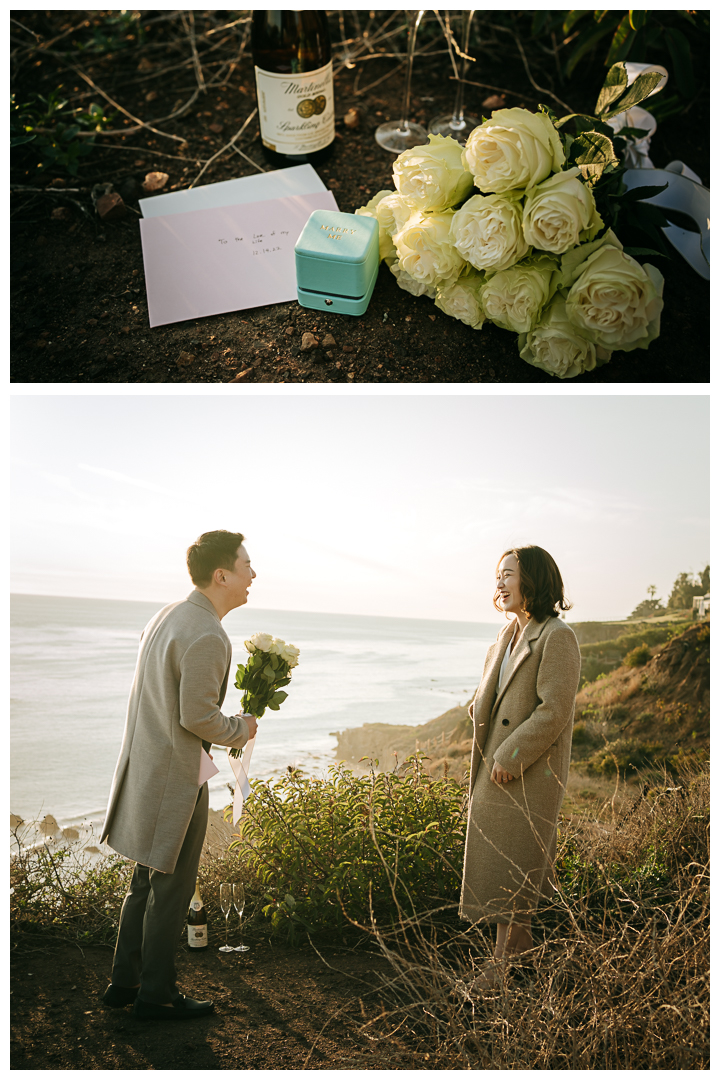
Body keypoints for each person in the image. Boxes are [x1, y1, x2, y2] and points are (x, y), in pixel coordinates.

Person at [100, 530, 258, 1021]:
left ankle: (123, 983)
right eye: (247, 565)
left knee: (144, 883)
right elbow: (197, 717)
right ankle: (157, 995)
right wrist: (242, 728)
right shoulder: (208, 633)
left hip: (147, 767)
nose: (254, 574)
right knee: (170, 888)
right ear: (222, 575)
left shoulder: (166, 615)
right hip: (177, 777)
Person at [459, 545, 581, 988]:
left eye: (508, 573)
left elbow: (555, 710)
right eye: (497, 575)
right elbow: (487, 702)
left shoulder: (556, 635)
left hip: (526, 772)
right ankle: (526, 963)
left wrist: (512, 755)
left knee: (514, 865)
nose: (499, 582)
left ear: (533, 579)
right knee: (507, 863)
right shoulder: (504, 636)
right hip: (492, 766)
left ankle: (500, 969)